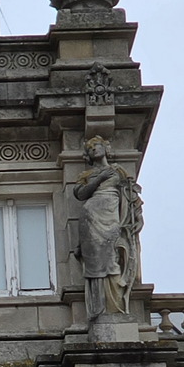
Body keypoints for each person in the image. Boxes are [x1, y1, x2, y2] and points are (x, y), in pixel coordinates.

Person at [73, 136, 143, 321]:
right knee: (95, 262)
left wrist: (138, 216)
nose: (93, 150)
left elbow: (130, 194)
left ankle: (116, 305)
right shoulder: (86, 175)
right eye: (89, 148)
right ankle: (99, 307)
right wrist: (98, 180)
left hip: (111, 216)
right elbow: (80, 194)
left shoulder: (118, 170)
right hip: (91, 216)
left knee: (113, 258)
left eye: (96, 146)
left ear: (105, 148)